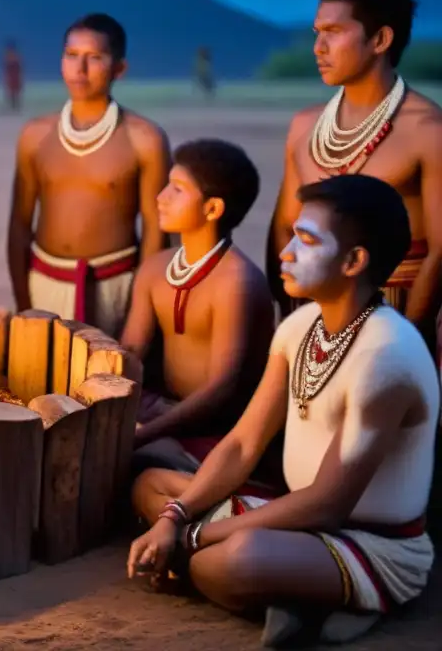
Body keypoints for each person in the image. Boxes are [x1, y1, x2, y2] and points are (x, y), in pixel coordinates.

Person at [129, 174, 438, 647]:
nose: (286, 252)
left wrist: (190, 538)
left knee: (238, 559)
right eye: (293, 234)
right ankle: (296, 595)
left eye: (307, 240)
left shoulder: (387, 356)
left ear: (355, 260)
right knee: (154, 487)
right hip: (292, 520)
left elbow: (328, 503)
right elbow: (242, 443)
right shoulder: (301, 327)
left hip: (369, 543)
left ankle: (347, 597)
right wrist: (174, 516)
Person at [266, 0, 442, 361]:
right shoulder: (304, 127)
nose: (318, 48)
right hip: (313, 318)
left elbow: (440, 252)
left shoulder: (428, 129)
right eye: (317, 33)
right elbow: (283, 227)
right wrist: (296, 320)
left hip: (398, 313)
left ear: (380, 39)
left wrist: (405, 341)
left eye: (334, 32)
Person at [8, 13, 171, 337]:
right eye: (72, 56)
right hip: (45, 284)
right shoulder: (35, 135)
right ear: (61, 62)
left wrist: (141, 311)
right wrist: (24, 303)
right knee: (37, 385)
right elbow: (20, 225)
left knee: (109, 382)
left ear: (119, 68)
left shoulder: (145, 138)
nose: (79, 69)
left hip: (116, 288)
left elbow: (157, 232)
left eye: (94, 58)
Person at [120, 139, 275, 476]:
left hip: (218, 430)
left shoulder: (237, 281)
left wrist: (141, 436)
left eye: (176, 190)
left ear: (212, 208)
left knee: (136, 467)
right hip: (163, 410)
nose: (160, 198)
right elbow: (130, 351)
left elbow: (222, 389)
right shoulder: (155, 267)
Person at [3, 40, 23, 112]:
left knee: (14, 92)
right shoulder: (12, 56)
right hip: (12, 77)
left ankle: (15, 106)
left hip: (14, 77)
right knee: (13, 92)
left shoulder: (11, 56)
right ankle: (14, 106)